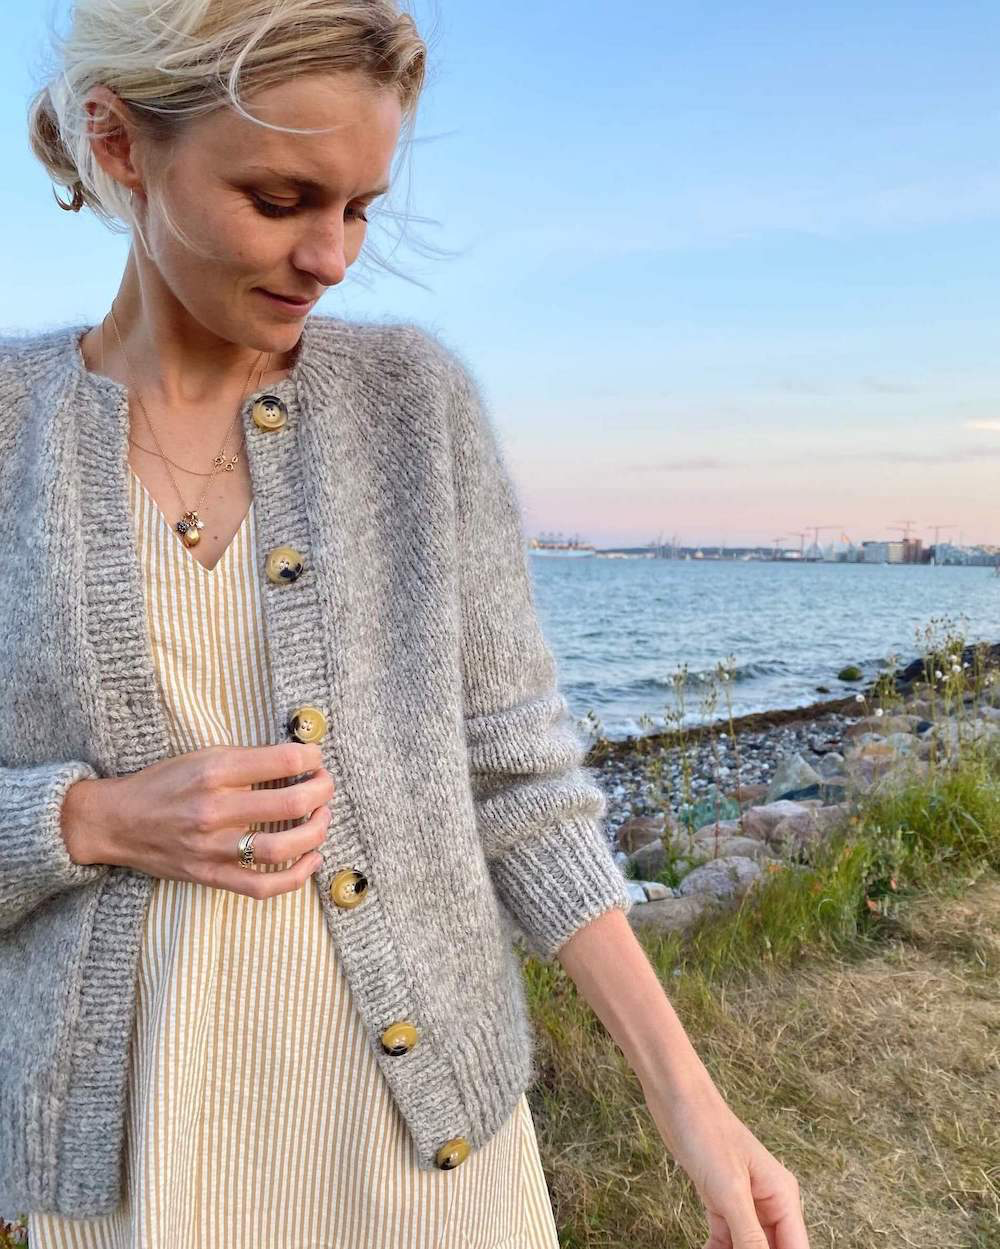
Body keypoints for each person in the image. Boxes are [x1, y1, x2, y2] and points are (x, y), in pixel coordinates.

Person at [0, 1, 811, 1246]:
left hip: (420, 1151)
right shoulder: (11, 430)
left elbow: (520, 781)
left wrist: (689, 1101)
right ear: (119, 143)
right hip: (141, 1166)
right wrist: (82, 820)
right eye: (280, 199)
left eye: (360, 207)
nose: (330, 256)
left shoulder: (411, 407)